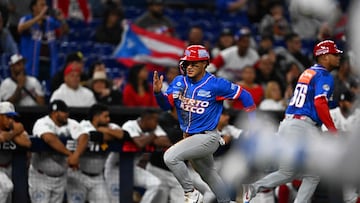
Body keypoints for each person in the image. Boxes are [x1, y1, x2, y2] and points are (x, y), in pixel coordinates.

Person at [153, 45, 256, 203]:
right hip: (189, 137)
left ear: (205, 64)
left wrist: (253, 123)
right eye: (187, 63)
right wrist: (158, 93)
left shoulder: (215, 84)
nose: (190, 67)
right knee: (209, 175)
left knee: (170, 157)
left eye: (194, 63)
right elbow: (166, 106)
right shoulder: (180, 81)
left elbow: (245, 95)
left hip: (207, 137)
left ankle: (191, 193)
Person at [243, 39, 342, 203]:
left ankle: (253, 188)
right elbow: (319, 102)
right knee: (314, 173)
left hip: (289, 123)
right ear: (324, 57)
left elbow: (317, 100)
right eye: (334, 54)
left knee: (288, 173)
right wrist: (332, 129)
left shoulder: (308, 72)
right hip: (303, 126)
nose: (338, 57)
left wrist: (331, 102)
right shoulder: (324, 75)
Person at [104, 109, 171, 203]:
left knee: (155, 184)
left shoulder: (153, 128)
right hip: (115, 167)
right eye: (155, 121)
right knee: (116, 200)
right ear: (147, 119)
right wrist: (153, 136)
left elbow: (166, 142)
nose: (157, 124)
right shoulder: (130, 125)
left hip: (132, 167)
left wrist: (148, 137)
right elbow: (140, 143)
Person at [29, 99, 89, 203]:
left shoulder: (70, 123)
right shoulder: (42, 123)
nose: (67, 114)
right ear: (54, 113)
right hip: (41, 177)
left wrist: (76, 155)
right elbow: (49, 138)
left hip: (60, 178)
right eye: (64, 112)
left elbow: (84, 136)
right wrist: (70, 154)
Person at [66, 103, 127, 203]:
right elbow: (94, 136)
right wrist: (111, 135)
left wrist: (105, 130)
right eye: (105, 116)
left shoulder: (109, 126)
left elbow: (125, 136)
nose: (108, 119)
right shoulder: (84, 125)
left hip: (98, 177)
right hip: (78, 174)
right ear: (96, 117)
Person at [18, 0, 69, 81]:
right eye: (42, 5)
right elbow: (20, 28)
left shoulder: (51, 21)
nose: (45, 7)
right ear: (34, 7)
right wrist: (38, 17)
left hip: (49, 63)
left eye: (45, 5)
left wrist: (62, 20)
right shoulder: (26, 19)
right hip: (31, 64)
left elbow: (65, 31)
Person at [0, 101, 31, 203]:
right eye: (8, 117)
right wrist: (16, 132)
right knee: (7, 187)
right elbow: (2, 138)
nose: (11, 120)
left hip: (7, 168)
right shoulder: (15, 130)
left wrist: (13, 134)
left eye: (13, 118)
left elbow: (27, 143)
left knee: (8, 198)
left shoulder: (12, 129)